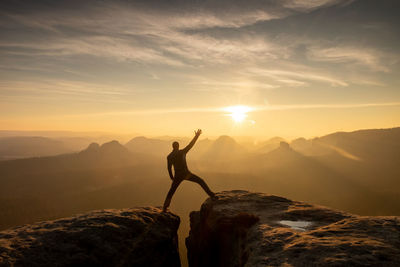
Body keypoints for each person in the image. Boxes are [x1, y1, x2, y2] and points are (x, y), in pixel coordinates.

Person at [162, 129, 216, 212]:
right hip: (186, 173)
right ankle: (212, 195)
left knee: (171, 191)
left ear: (172, 146)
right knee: (201, 181)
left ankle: (165, 207)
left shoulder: (169, 156)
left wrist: (172, 177)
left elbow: (169, 168)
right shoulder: (182, 152)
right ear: (178, 146)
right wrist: (197, 135)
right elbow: (191, 144)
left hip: (177, 175)